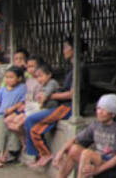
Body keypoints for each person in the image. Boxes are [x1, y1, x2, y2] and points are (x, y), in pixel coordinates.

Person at [25, 38, 89, 168]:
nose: (63, 50)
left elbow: (72, 94)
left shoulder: (80, 68)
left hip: (71, 107)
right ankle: (40, 154)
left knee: (31, 120)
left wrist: (51, 95)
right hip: (63, 105)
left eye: (66, 47)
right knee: (32, 123)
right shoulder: (71, 67)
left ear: (74, 49)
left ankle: (45, 154)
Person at [53, 94, 116, 178]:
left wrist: (98, 170)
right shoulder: (95, 125)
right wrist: (61, 152)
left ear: (113, 114)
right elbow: (74, 140)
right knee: (74, 149)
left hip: (112, 167)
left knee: (87, 153)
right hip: (98, 161)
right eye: (99, 108)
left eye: (104, 110)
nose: (100, 112)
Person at [4, 56, 45, 152]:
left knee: (18, 124)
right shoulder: (28, 80)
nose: (30, 69)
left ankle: (26, 143)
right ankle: (23, 141)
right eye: (28, 67)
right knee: (8, 121)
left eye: (33, 66)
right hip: (26, 107)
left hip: (34, 108)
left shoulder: (41, 81)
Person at [0, 66, 27, 167]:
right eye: (7, 77)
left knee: (12, 136)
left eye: (11, 77)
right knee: (0, 136)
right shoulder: (2, 89)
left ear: (19, 78)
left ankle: (6, 156)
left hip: (15, 115)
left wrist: (13, 109)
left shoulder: (23, 88)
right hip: (2, 115)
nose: (8, 80)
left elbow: (23, 102)